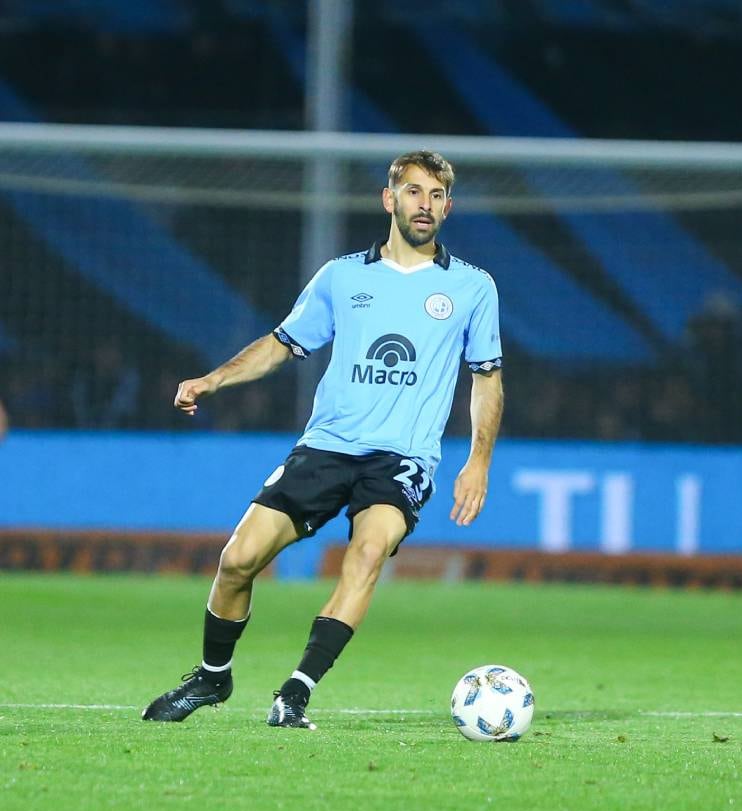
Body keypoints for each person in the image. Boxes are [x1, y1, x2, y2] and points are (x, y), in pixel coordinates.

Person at [143, 150, 504, 729]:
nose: (425, 205)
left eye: (436, 196)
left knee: (366, 553)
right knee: (237, 560)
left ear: (448, 207)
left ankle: (296, 692)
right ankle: (213, 679)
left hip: (401, 458)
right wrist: (214, 379)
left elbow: (486, 377)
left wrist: (478, 460)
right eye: (414, 192)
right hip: (327, 447)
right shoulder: (342, 276)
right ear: (390, 199)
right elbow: (282, 343)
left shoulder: (471, 287)